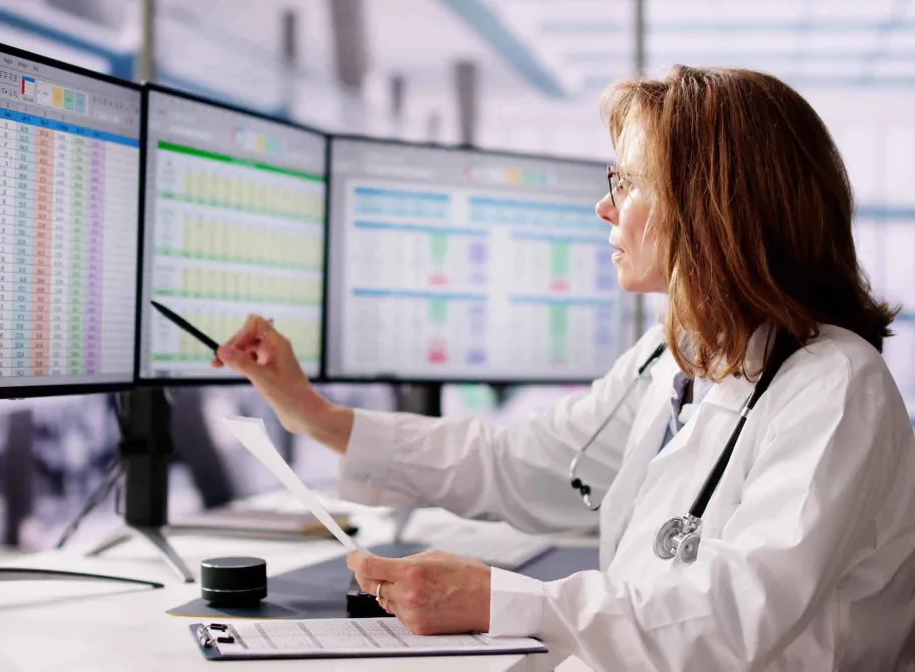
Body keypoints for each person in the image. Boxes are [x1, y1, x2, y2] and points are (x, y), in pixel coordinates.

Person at [213, 65, 915, 670]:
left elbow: (733, 617)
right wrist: (313, 414)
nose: (605, 206)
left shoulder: (836, 387)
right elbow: (522, 461)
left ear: (711, 209)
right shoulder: (676, 358)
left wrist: (502, 600)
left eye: (628, 182)